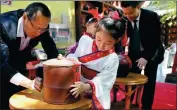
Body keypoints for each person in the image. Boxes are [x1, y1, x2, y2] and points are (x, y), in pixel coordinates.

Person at [59, 17, 126, 109]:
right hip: (76, 85)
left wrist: (86, 86)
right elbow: (75, 56)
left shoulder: (113, 58)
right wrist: (67, 60)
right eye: (98, 39)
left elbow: (104, 80)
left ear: (116, 40)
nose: (101, 45)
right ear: (95, 33)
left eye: (108, 43)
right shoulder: (85, 40)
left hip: (94, 91)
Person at [0, 2, 58, 109]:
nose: (38, 33)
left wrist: (56, 68)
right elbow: (1, 64)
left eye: (43, 29)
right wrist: (28, 83)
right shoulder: (3, 25)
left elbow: (51, 49)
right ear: (25, 17)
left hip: (19, 68)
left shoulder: (40, 27)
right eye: (36, 28)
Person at [120, 1, 164, 109]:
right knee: (132, 75)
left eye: (130, 13)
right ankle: (128, 98)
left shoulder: (151, 17)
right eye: (125, 13)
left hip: (153, 52)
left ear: (138, 7)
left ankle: (146, 105)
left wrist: (146, 57)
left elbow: (156, 40)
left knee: (150, 80)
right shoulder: (125, 18)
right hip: (135, 52)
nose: (127, 16)